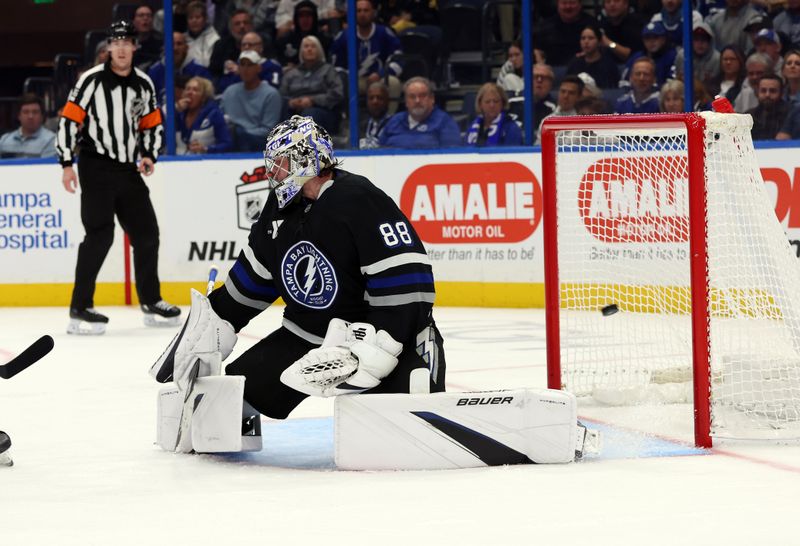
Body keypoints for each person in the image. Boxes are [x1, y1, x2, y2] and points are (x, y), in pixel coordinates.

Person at [155, 114, 446, 426]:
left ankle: (416, 364)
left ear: (304, 160)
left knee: (408, 400)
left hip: (370, 335)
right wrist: (211, 324)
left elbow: (406, 282)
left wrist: (379, 347)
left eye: (279, 163)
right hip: (305, 335)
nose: (272, 172)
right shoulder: (278, 209)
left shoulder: (359, 198)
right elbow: (252, 283)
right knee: (227, 398)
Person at [55, 21, 180, 335]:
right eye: (116, 42)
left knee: (147, 234)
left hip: (127, 168)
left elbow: (152, 123)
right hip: (95, 165)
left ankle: (151, 300)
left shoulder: (143, 83)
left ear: (135, 47)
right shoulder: (90, 81)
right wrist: (66, 163)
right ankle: (80, 307)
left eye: (127, 42)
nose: (122, 48)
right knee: (100, 235)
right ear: (108, 47)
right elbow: (70, 120)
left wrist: (149, 153)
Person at [329, 0, 402, 101]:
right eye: (358, 11)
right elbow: (336, 66)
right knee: (340, 84)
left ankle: (389, 117)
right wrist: (349, 76)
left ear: (373, 12)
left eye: (366, 10)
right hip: (354, 81)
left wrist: (380, 74)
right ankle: (347, 116)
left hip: (380, 79)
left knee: (393, 83)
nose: (362, 14)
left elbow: (399, 59)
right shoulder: (344, 36)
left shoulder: (384, 33)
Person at [280, 35, 344, 135]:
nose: (309, 49)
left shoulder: (328, 70)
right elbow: (282, 96)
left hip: (323, 112)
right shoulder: (291, 74)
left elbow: (337, 94)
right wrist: (291, 102)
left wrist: (313, 101)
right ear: (301, 51)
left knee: (309, 115)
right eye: (306, 46)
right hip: (295, 111)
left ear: (319, 50)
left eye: (313, 46)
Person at [221, 50, 282, 152]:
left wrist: (242, 133)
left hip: (258, 142)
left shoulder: (271, 94)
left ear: (259, 68)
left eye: (250, 65)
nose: (245, 69)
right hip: (231, 137)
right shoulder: (229, 91)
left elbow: (268, 130)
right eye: (242, 65)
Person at [379, 77, 461, 148]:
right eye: (412, 97)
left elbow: (451, 157)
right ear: (406, 102)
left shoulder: (445, 123)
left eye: (422, 96)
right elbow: (379, 152)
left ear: (432, 99)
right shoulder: (395, 121)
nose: (417, 101)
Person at [147, 31, 212, 102]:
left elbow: (207, 100)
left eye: (179, 44)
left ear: (186, 48)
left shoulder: (200, 71)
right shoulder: (154, 72)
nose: (175, 48)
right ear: (164, 48)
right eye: (171, 44)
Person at [176, 76, 232, 154]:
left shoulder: (214, 114)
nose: (190, 93)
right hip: (176, 163)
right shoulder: (176, 114)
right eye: (188, 89)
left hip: (204, 163)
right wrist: (175, 111)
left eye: (195, 90)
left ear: (203, 97)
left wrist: (206, 149)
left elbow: (226, 144)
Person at [533, 0, 595, 66]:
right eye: (564, 3)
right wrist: (541, 65)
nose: (568, 7)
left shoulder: (592, 24)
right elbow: (537, 49)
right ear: (558, 5)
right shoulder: (545, 26)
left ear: (580, 5)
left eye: (572, 3)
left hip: (585, 68)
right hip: (553, 71)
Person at [216, 31, 282, 94]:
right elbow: (222, 89)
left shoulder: (272, 66)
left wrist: (241, 73)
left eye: (251, 45)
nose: (246, 47)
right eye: (243, 45)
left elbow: (271, 88)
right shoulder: (234, 66)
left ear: (261, 47)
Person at [275, 1, 332, 67]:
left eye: (308, 16)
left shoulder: (325, 40)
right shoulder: (285, 40)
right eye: (301, 16)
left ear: (314, 17)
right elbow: (280, 61)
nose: (305, 20)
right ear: (296, 18)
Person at [464, 83, 522, 147]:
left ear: (503, 103)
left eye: (496, 101)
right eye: (487, 102)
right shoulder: (472, 127)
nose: (492, 105)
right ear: (480, 104)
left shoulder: (511, 128)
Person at [0, 93, 56, 158]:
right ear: (19, 116)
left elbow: (46, 167)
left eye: (35, 112)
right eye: (26, 112)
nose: (30, 116)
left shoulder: (52, 140)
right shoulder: (4, 140)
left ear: (42, 116)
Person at [566, 24, 621, 89]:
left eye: (591, 38)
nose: (586, 42)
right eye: (583, 38)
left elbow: (612, 90)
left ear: (599, 42)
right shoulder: (575, 63)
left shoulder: (608, 64)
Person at [209, 9, 254, 80]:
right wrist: (226, 66)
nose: (242, 26)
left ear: (251, 26)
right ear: (231, 28)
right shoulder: (221, 44)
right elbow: (213, 68)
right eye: (237, 24)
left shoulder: (262, 43)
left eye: (245, 23)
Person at [746, 74, 790, 140]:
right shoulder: (749, 116)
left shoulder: (791, 114)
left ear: (781, 93)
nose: (767, 95)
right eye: (763, 90)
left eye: (772, 91)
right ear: (757, 92)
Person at [185, 0, 221, 67]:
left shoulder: (215, 39)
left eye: (198, 17)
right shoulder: (182, 40)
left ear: (205, 19)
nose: (194, 21)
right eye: (190, 18)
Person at [360, 81, 391, 149]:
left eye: (379, 98)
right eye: (371, 98)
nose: (375, 102)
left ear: (387, 101)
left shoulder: (394, 125)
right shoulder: (360, 126)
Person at [132, 4, 163, 68]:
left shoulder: (161, 41)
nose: (145, 18)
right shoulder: (126, 41)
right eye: (141, 15)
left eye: (149, 16)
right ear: (133, 21)